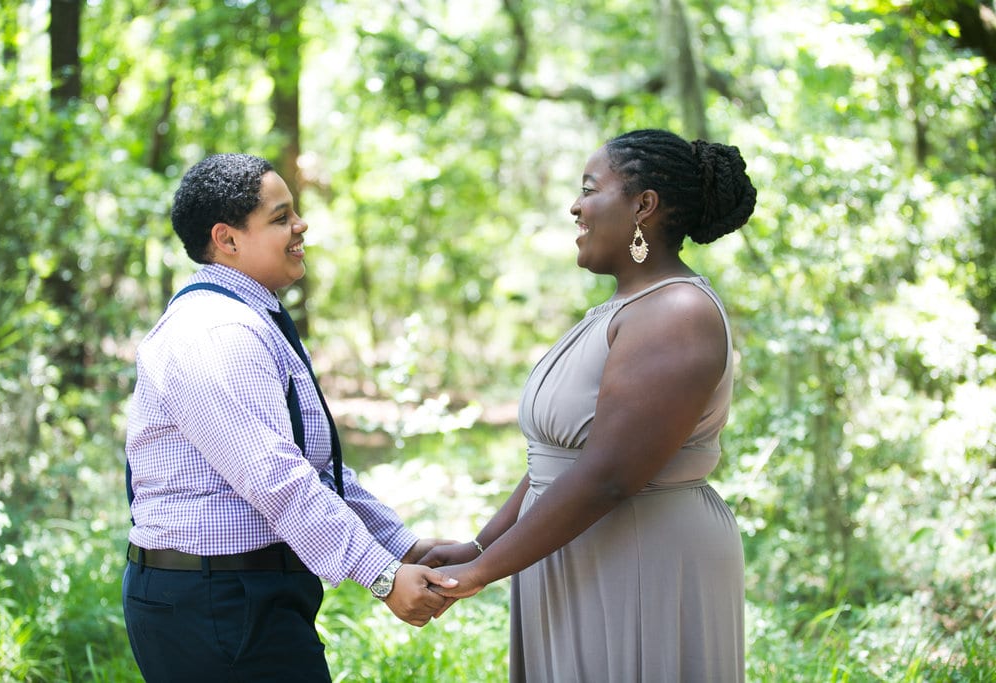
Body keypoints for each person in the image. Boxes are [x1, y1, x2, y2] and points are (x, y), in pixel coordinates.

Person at [423, 129, 756, 682]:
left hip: (642, 560)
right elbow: (552, 465)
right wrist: (478, 544)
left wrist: (482, 572)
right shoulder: (619, 309)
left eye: (589, 188)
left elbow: (606, 475)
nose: (575, 206)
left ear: (643, 205)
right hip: (576, 550)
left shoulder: (676, 313)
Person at [122, 153, 457, 682]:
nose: (301, 226)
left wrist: (403, 545)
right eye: (280, 218)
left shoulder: (250, 319)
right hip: (214, 603)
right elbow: (274, 476)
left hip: (243, 593)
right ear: (227, 240)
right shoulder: (217, 333)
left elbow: (314, 467)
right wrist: (384, 577)